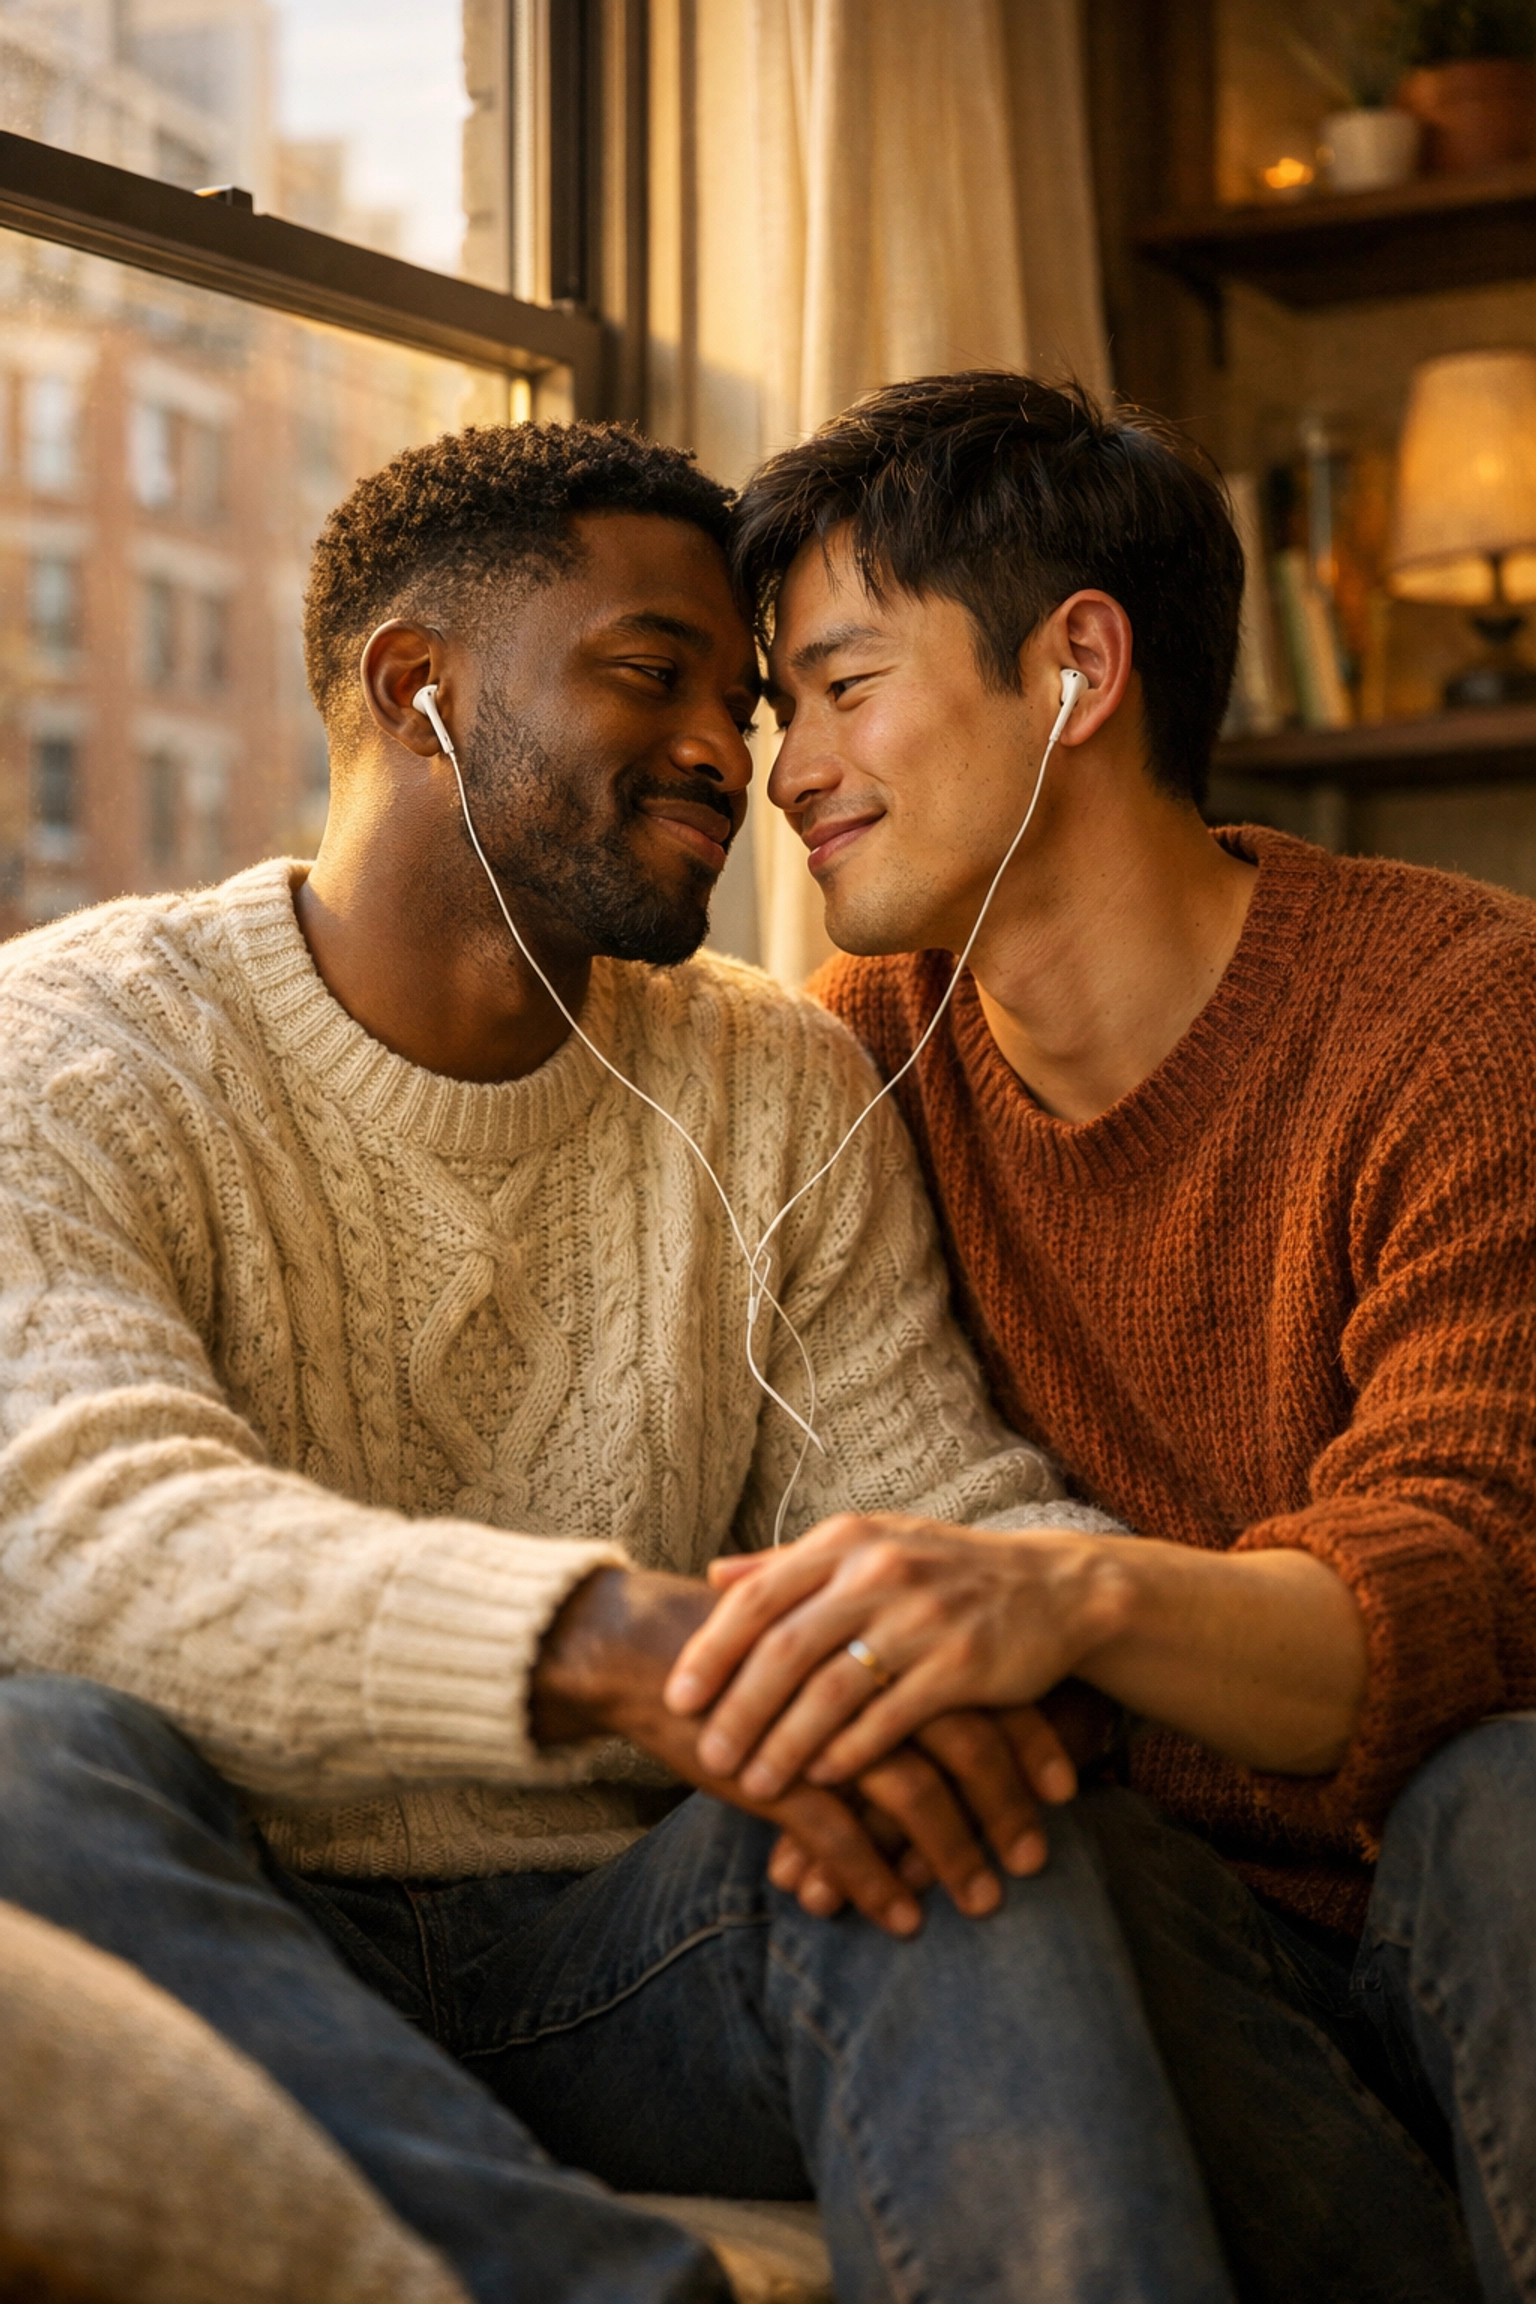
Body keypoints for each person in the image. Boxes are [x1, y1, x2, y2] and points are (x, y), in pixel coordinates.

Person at [0, 417, 1223, 2304]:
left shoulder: (778, 1073)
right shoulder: (79, 1044)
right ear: (419, 692)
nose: (734, 759)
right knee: (26, 1753)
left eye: (747, 703)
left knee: (944, 1792)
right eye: (655, 680)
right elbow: (76, 1529)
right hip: (231, 1918)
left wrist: (975, 1655)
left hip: (628, 1953)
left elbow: (932, 1495)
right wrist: (611, 1648)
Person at [664, 371, 1536, 2304]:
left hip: (1470, 1885)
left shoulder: (1459, 1012)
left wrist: (1072, 1602)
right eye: (776, 708)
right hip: (1175, 1942)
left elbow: (1460, 1575)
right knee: (1000, 1856)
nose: (787, 769)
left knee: (1511, 1797)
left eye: (843, 684)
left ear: (1077, 665)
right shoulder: (857, 1052)